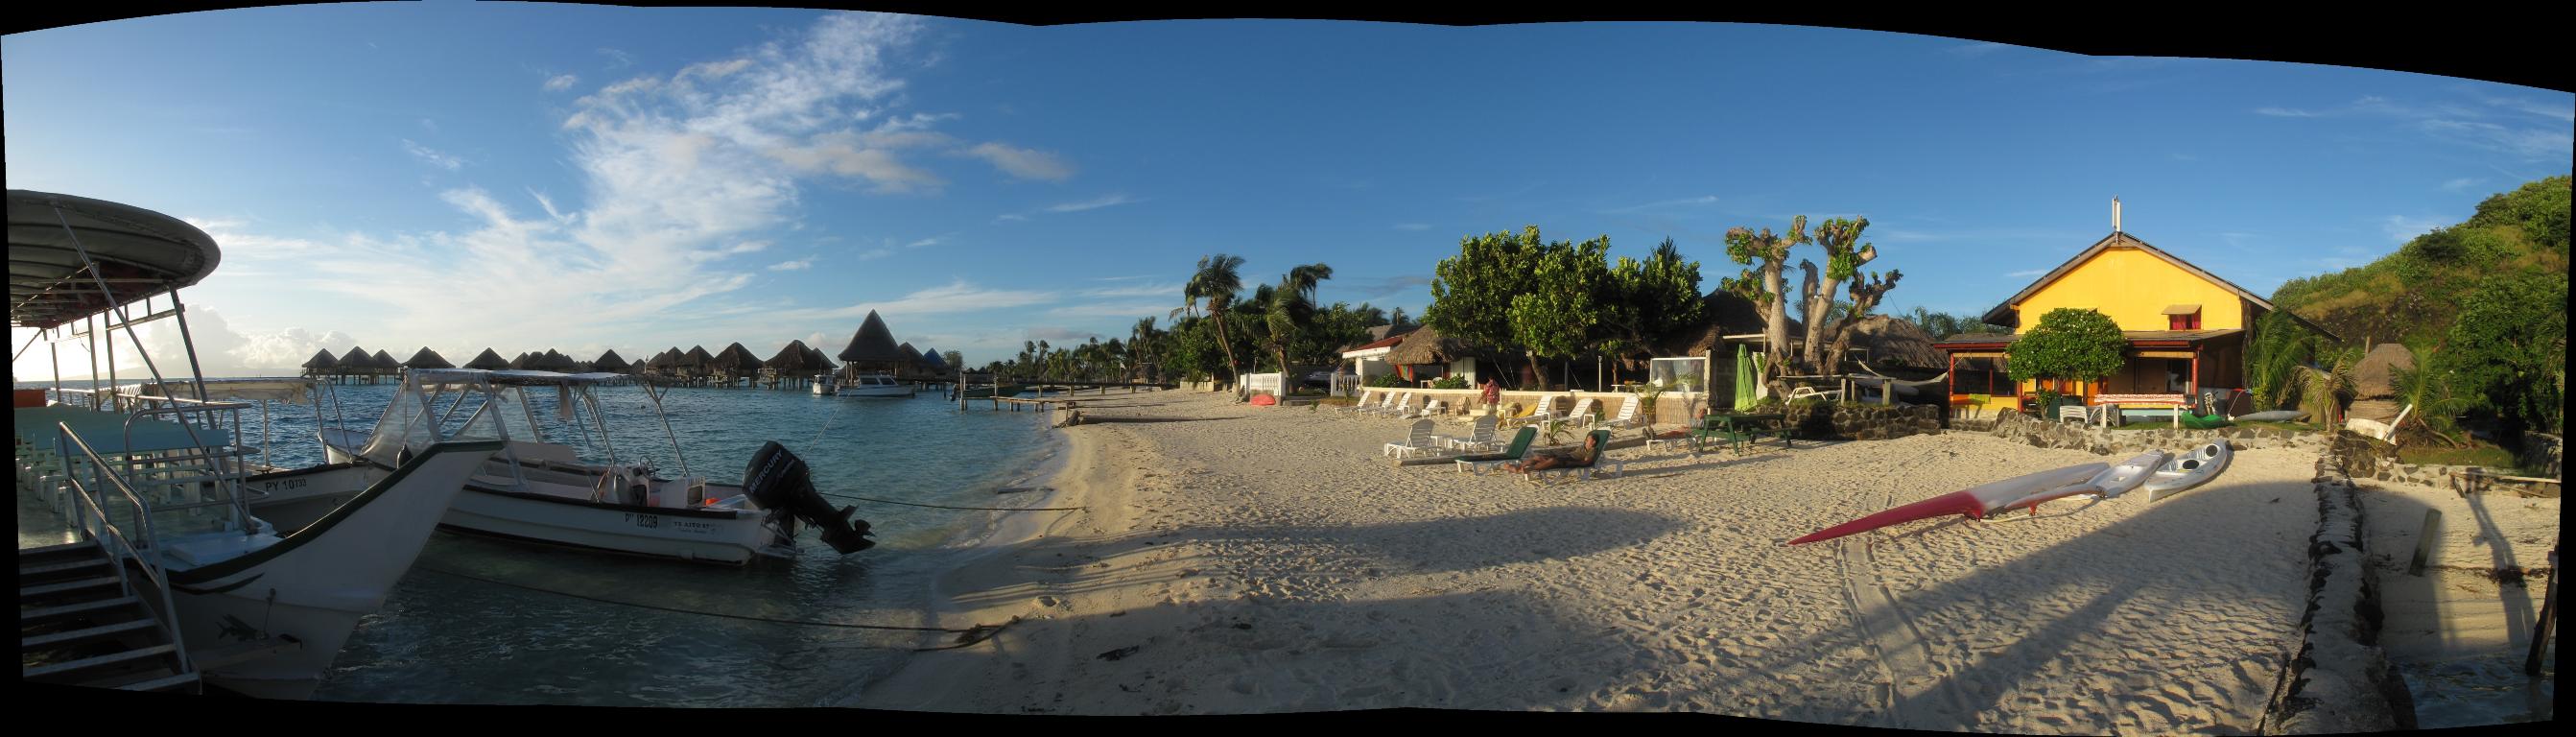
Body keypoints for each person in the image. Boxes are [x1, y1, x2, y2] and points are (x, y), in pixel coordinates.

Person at [1506, 432, 1602, 474]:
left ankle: (1529, 469)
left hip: (1569, 460)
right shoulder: (1583, 447)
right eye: (1586, 439)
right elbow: (1572, 452)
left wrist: (1572, 463)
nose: (1586, 440)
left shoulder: (1592, 451)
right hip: (1566, 456)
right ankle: (1517, 467)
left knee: (1552, 460)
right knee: (1538, 457)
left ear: (1593, 442)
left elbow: (1586, 462)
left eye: (1588, 440)